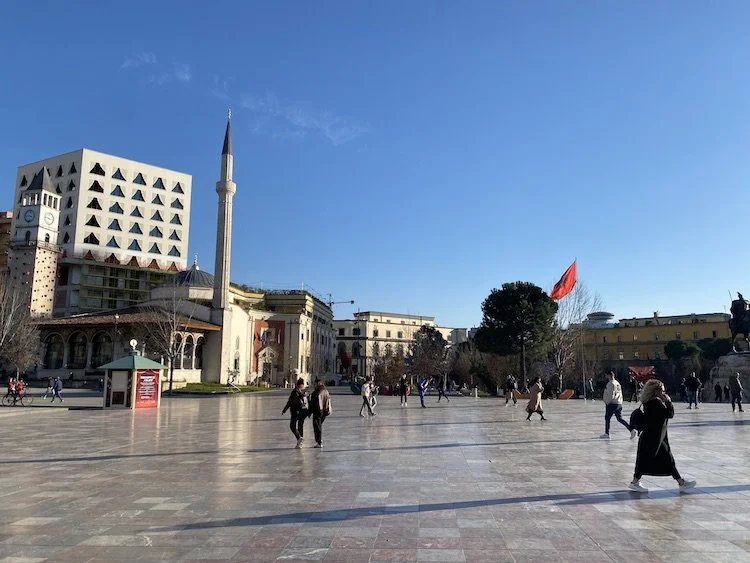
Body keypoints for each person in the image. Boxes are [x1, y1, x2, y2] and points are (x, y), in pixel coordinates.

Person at [628, 379, 696, 494]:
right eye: (662, 391)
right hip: (654, 437)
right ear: (656, 391)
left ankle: (681, 482)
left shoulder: (648, 401)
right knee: (663, 460)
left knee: (655, 460)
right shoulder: (656, 403)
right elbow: (669, 414)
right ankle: (681, 483)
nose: (664, 393)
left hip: (652, 437)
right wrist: (669, 402)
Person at [601, 372, 637, 439]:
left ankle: (607, 433)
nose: (605, 376)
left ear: (608, 375)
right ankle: (631, 430)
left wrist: (607, 402)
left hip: (612, 403)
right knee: (619, 418)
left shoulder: (611, 383)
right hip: (618, 403)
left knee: (607, 418)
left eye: (606, 375)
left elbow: (611, 394)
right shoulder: (617, 383)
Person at [282, 378, 309, 448]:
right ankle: (300, 442)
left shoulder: (295, 391)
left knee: (292, 426)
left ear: (297, 384)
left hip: (295, 411)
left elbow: (290, 402)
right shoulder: (305, 392)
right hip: (304, 411)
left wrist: (284, 410)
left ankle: (299, 438)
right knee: (300, 426)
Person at [309, 378, 332, 448]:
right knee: (319, 426)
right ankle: (319, 441)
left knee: (317, 427)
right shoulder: (325, 391)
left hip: (317, 411)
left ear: (317, 384)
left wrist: (309, 412)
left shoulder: (316, 392)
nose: (314, 385)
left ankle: (319, 441)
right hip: (324, 411)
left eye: (314, 384)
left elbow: (313, 403)